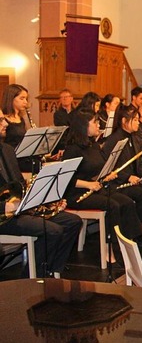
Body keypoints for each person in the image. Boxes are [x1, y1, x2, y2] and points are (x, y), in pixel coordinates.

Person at [0, 108, 82, 278]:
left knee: (73, 221)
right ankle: (32, 277)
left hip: (18, 209)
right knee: (51, 230)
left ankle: (52, 270)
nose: (5, 123)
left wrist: (45, 201)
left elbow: (20, 184)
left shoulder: (7, 149)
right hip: (3, 215)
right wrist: (5, 206)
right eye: (0, 120)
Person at [62, 110, 142, 248]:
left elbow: (99, 169)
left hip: (96, 189)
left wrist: (107, 175)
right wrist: (89, 184)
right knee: (113, 205)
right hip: (77, 194)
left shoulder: (93, 145)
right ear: (84, 126)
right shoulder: (72, 150)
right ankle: (111, 248)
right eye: (94, 122)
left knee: (127, 202)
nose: (98, 125)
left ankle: (133, 239)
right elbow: (67, 179)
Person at [2, 84, 34, 173]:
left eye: (26, 99)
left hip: (22, 157)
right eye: (22, 98)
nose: (25, 102)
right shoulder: (3, 120)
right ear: (11, 98)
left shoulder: (21, 119)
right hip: (10, 160)